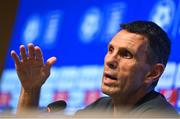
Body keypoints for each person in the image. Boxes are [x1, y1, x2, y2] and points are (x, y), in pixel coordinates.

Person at [11, 20, 178, 118]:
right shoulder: (101, 107)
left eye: (126, 54)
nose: (111, 60)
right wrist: (30, 90)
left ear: (153, 73)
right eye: (110, 50)